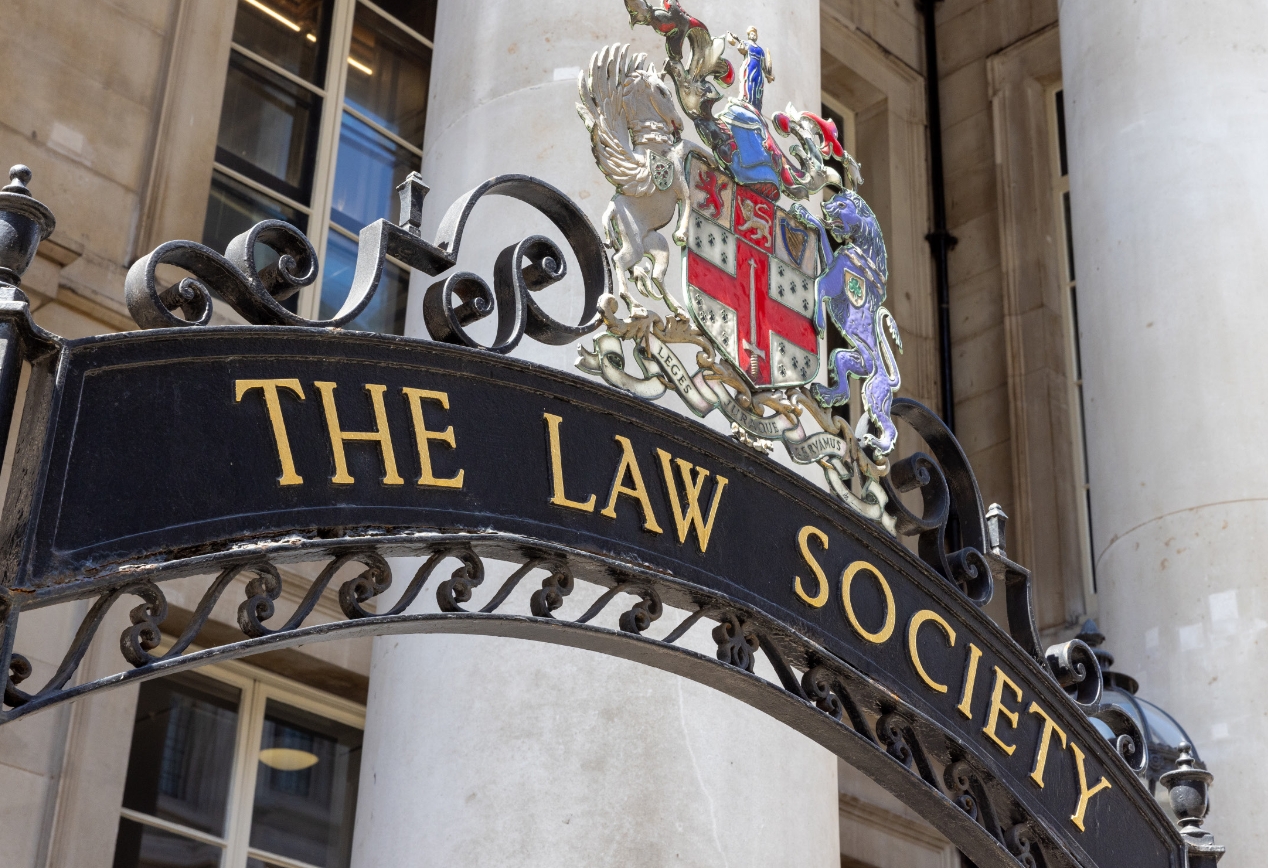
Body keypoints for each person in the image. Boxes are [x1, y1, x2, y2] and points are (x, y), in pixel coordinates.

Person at [726, 26, 774, 112]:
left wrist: (768, 75)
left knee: (757, 86)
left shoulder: (760, 50)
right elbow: (741, 46)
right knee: (747, 82)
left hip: (758, 71)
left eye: (754, 34)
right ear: (748, 35)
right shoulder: (746, 43)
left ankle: (755, 105)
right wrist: (736, 38)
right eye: (751, 34)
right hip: (749, 67)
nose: (753, 35)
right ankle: (745, 99)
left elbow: (763, 65)